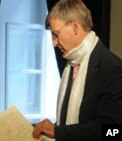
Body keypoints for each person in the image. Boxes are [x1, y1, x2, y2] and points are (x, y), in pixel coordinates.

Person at [32, 0, 122, 141]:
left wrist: (58, 132)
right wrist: (52, 130)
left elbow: (112, 131)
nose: (54, 43)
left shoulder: (112, 68)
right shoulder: (71, 64)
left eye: (56, 34)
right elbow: (70, 122)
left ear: (74, 27)